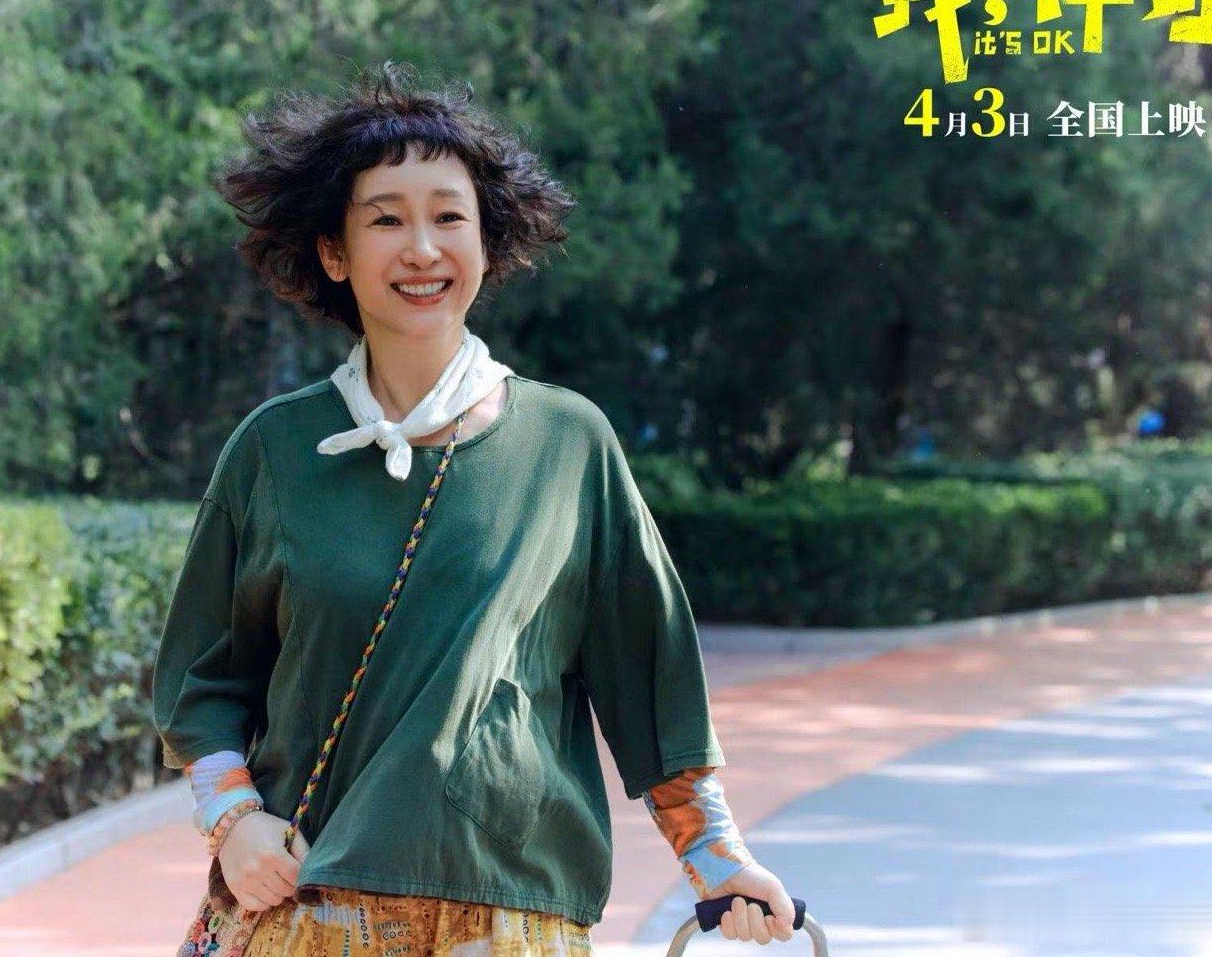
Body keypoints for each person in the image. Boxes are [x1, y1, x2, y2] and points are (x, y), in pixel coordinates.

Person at [152, 61, 797, 954]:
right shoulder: (274, 449)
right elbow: (203, 680)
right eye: (386, 219)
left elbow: (651, 680)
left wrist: (718, 860)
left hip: (512, 913)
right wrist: (234, 821)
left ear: (488, 242)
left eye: (449, 217)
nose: (422, 248)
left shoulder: (567, 443)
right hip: (311, 905)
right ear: (334, 254)